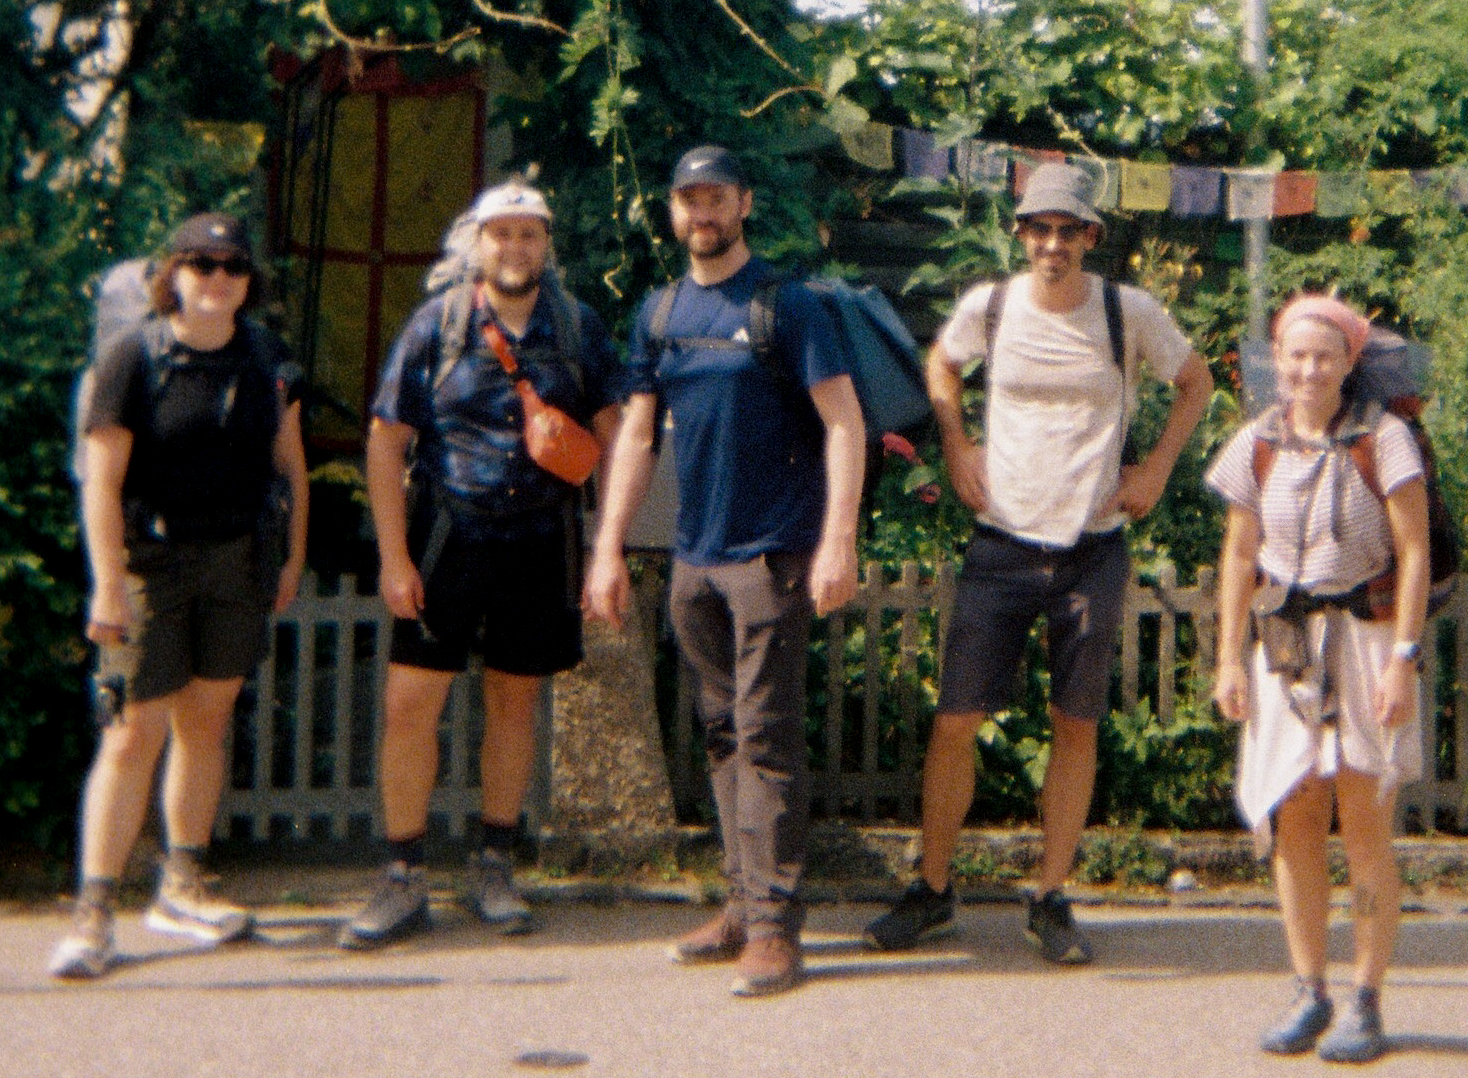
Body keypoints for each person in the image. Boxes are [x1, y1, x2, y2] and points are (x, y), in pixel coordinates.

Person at [865, 162, 1212, 969]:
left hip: (1091, 544)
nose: (1052, 244)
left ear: (1091, 236)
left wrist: (1155, 470)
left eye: (1068, 230)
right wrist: (955, 443)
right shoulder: (990, 306)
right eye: (1038, 228)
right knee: (955, 720)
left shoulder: (1130, 312)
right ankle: (933, 888)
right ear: (1020, 234)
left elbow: (1193, 383)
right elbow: (942, 366)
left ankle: (1050, 895)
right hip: (1001, 539)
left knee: (1074, 722)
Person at [585, 146, 864, 999]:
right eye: (687, 198)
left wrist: (837, 539)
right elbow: (635, 436)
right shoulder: (660, 312)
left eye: (716, 196)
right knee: (720, 733)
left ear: (743, 202)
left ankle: (776, 930)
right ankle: (743, 905)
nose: (701, 211)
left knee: (767, 734)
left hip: (771, 556)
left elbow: (844, 424)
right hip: (693, 559)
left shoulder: (790, 306)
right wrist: (607, 546)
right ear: (671, 210)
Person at [341, 182, 626, 949]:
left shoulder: (578, 328)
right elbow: (384, 438)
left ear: (546, 245)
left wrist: (607, 548)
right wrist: (395, 554)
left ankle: (494, 864)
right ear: (478, 242)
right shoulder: (436, 324)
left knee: (513, 702)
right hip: (447, 537)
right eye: (501, 233)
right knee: (409, 705)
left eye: (529, 234)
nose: (515, 247)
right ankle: (402, 875)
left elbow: (618, 433)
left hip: (540, 541)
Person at [50, 212, 308, 979]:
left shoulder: (264, 358)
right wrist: (106, 584)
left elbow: (288, 465)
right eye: (200, 264)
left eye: (231, 266)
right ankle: (94, 912)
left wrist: (291, 558)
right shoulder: (135, 356)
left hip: (236, 558)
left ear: (247, 281)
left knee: (206, 718)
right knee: (132, 734)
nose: (217, 278)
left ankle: (182, 883)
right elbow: (102, 481)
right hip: (150, 563)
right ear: (174, 275)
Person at [1207, 294, 1430, 1060]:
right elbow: (1240, 554)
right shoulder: (1256, 443)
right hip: (1285, 640)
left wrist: (1402, 658)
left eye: (1323, 356)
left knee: (1362, 819)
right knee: (1293, 814)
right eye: (1294, 356)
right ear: (1276, 360)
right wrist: (1227, 658)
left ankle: (1366, 995)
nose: (1307, 370)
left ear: (1347, 362)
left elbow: (1414, 552)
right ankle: (1308, 988)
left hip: (1366, 640)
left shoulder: (1386, 439)